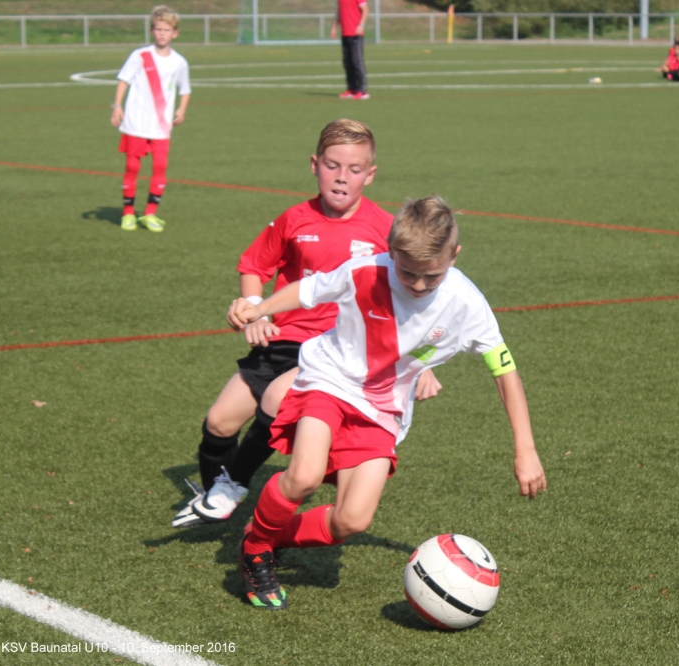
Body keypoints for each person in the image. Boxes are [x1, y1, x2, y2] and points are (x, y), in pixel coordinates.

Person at [228, 196, 547, 610]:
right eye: (407, 272)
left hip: (383, 408)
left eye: (431, 276)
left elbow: (505, 372)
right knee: (304, 476)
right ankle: (255, 551)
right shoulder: (365, 269)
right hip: (329, 379)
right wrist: (259, 309)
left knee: (351, 520)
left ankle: (267, 538)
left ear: (455, 255)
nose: (418, 285)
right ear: (391, 250)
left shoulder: (467, 304)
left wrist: (525, 449)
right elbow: (308, 291)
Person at [171, 119, 442, 529]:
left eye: (354, 169)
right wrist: (255, 309)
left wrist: (422, 363)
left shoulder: (384, 231)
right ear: (315, 165)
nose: (341, 177)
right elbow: (253, 266)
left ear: (370, 175)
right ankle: (218, 498)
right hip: (282, 341)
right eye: (332, 166)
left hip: (336, 352)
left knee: (277, 403)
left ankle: (236, 489)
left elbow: (411, 300)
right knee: (219, 422)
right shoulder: (294, 220)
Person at [110, 5, 191, 233]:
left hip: (161, 125)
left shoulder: (179, 62)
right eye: (158, 29)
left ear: (175, 33)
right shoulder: (140, 55)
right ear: (151, 31)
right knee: (132, 166)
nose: (162, 33)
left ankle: (150, 214)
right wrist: (117, 105)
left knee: (160, 166)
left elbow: (185, 89)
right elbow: (124, 80)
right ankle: (128, 213)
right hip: (136, 122)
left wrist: (182, 110)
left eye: (167, 30)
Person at [330, 0, 369, 100]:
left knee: (357, 62)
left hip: (356, 33)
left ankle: (363, 91)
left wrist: (361, 25)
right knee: (347, 63)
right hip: (345, 33)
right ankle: (352, 89)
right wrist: (334, 27)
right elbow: (340, 11)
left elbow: (365, 10)